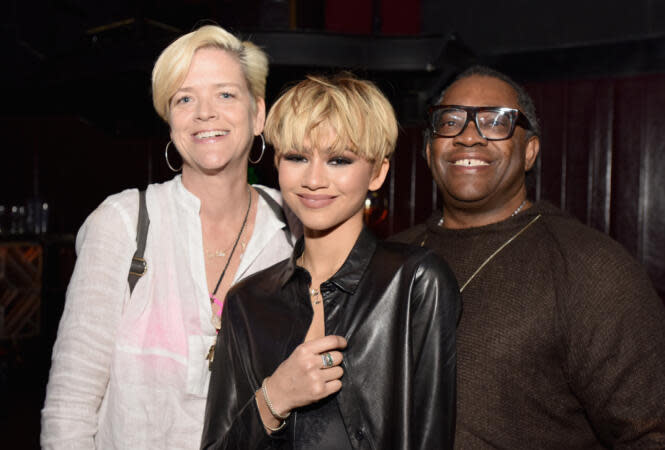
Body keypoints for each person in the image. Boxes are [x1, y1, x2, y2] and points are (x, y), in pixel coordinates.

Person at [41, 25, 298, 449]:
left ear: (258, 114)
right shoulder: (124, 223)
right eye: (184, 98)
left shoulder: (292, 226)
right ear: (170, 121)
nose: (204, 113)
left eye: (225, 94)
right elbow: (70, 408)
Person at [392, 65, 665, 448]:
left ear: (530, 151)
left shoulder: (591, 268)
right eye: (449, 121)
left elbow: (651, 434)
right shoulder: (391, 257)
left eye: (496, 122)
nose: (469, 136)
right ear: (428, 149)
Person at [200, 73, 460, 449]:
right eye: (297, 157)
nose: (314, 179)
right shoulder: (247, 301)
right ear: (278, 164)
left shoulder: (415, 282)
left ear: (378, 172)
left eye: (339, 159)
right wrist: (274, 398)